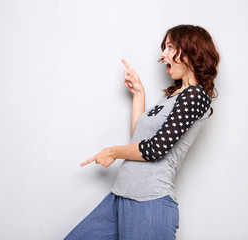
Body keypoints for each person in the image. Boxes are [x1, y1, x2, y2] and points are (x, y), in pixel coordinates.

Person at [63, 24, 220, 240]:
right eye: (164, 47)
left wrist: (113, 152)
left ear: (192, 51)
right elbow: (140, 138)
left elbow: (156, 149)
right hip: (119, 198)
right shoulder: (174, 96)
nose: (163, 54)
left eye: (170, 47)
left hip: (149, 203)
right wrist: (139, 93)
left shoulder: (196, 96)